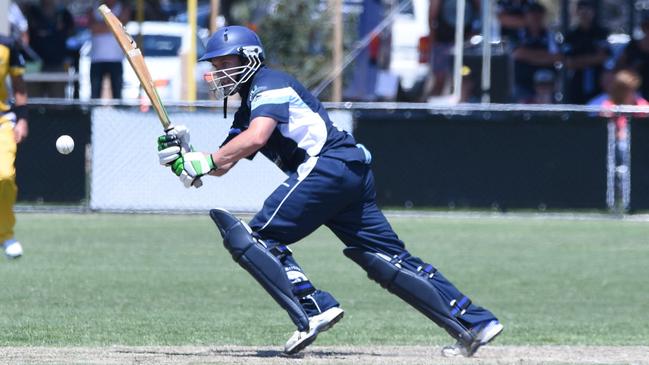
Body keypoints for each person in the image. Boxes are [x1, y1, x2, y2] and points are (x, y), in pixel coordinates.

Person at [156, 26, 503, 357]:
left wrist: (204, 161)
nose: (217, 70)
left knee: (253, 239)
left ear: (250, 58)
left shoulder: (269, 82)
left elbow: (257, 137)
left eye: (224, 62)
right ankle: (474, 323)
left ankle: (313, 307)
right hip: (347, 172)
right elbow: (223, 163)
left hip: (327, 165)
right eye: (214, 64)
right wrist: (186, 158)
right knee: (385, 260)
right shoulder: (247, 105)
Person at [0, 35, 28, 259]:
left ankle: (5, 234)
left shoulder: (7, 45)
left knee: (5, 176)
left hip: (2, 121)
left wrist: (23, 118)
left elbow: (18, 85)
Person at [427, 0, 481, 97]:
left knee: (464, 79)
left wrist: (474, 35)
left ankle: (460, 107)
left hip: (465, 46)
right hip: (442, 43)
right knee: (440, 81)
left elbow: (480, 12)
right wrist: (433, 44)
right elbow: (432, 17)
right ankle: (426, 109)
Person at [511, 2, 562, 102]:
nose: (535, 17)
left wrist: (528, 56)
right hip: (524, 85)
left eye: (538, 14)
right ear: (526, 16)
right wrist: (544, 56)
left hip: (547, 85)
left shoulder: (550, 35)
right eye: (531, 14)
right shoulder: (518, 34)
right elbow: (517, 54)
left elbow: (557, 57)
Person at [562, 0, 610, 104]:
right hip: (577, 85)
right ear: (577, 12)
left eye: (588, 11)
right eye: (582, 11)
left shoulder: (601, 33)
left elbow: (604, 57)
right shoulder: (571, 35)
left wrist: (580, 60)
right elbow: (569, 62)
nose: (585, 14)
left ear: (593, 12)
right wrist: (594, 58)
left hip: (598, 83)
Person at [87, 0, 130, 99]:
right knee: (95, 94)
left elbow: (120, 27)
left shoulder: (123, 8)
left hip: (116, 59)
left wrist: (102, 25)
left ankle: (118, 114)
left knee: (117, 95)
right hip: (96, 59)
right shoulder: (93, 8)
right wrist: (114, 25)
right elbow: (94, 29)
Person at [615, 11, 649, 100]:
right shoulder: (633, 46)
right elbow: (618, 67)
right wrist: (632, 70)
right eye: (647, 26)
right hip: (634, 95)